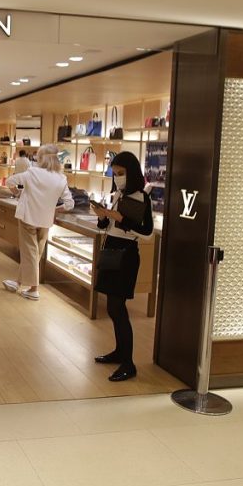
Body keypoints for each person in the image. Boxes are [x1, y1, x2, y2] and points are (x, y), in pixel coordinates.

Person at [91, 152, 153, 382]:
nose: (117, 178)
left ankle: (128, 362)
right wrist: (103, 217)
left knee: (118, 308)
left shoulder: (141, 197)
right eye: (115, 173)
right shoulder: (119, 194)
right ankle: (120, 352)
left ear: (131, 172)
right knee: (112, 308)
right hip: (112, 251)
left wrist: (120, 218)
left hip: (125, 256)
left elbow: (146, 232)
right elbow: (108, 227)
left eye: (121, 173)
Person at [2, 144, 74, 300]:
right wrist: (54, 210)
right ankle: (18, 282)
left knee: (30, 253)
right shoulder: (61, 178)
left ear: (41, 159)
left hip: (28, 217)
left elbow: (9, 181)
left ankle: (34, 289)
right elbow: (69, 204)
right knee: (34, 254)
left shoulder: (32, 173)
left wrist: (17, 193)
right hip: (45, 220)